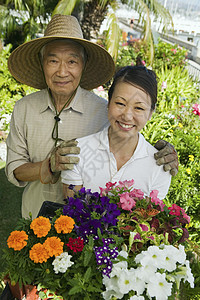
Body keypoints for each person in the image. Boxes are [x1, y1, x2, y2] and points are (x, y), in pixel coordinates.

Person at [5, 14, 177, 219]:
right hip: (35, 220)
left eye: (71, 61)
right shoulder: (24, 108)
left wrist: (162, 154)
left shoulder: (103, 110)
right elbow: (14, 169)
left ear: (83, 65)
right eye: (53, 60)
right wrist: (49, 165)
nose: (62, 71)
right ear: (42, 63)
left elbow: (128, 136)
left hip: (86, 224)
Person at [62, 65, 171, 199]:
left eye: (139, 108)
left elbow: (151, 218)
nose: (127, 116)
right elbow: (72, 210)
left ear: (150, 113)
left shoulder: (159, 166)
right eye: (120, 103)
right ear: (108, 103)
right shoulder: (77, 152)